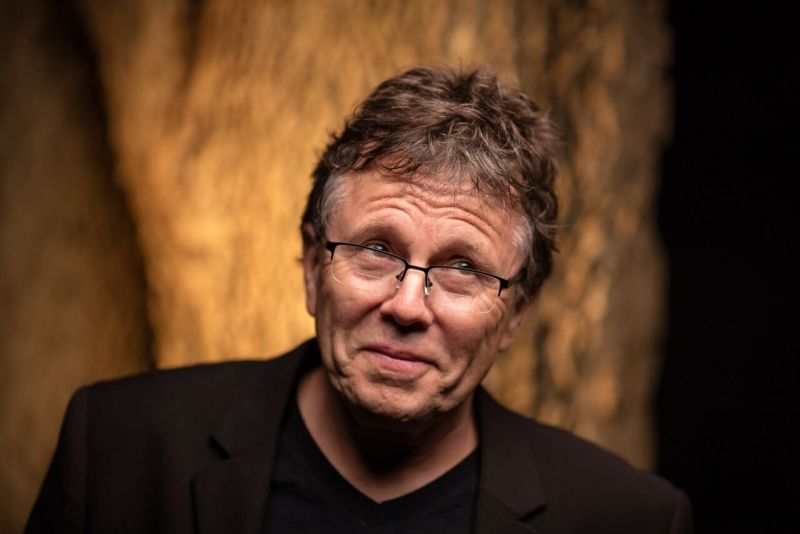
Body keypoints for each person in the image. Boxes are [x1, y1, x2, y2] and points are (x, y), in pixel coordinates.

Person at [26, 66, 692, 533]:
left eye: (462, 267)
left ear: (515, 312)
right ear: (313, 266)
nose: (407, 306)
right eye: (376, 249)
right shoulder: (117, 447)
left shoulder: (626, 518)